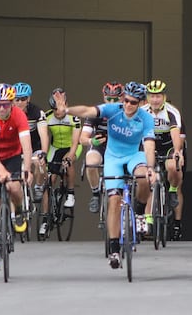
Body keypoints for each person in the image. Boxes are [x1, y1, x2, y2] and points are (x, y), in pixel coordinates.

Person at [52, 81, 156, 269]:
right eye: (126, 101)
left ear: (140, 103)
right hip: (113, 158)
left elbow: (149, 145)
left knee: (143, 177)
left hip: (134, 155)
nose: (128, 105)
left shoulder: (146, 118)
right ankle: (114, 249)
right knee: (114, 201)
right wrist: (66, 110)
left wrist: (150, 168)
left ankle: (139, 213)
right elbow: (86, 111)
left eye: (133, 102)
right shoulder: (112, 109)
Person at [0, 83, 33, 270]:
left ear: (12, 104)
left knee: (14, 187)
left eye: (6, 104)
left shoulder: (20, 116)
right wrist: (0, 169)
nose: (2, 108)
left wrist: (28, 168)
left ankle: (18, 213)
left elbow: (26, 144)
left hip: (12, 157)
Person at [142, 79, 185, 240]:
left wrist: (176, 151)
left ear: (164, 97)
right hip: (149, 144)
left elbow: (176, 133)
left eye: (158, 96)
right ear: (147, 97)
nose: (155, 99)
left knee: (174, 166)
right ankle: (148, 220)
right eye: (152, 96)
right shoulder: (142, 111)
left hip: (167, 144)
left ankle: (172, 190)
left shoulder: (172, 112)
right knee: (148, 178)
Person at [37, 88, 82, 237]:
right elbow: (45, 136)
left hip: (72, 146)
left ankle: (70, 193)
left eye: (59, 110)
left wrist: (70, 156)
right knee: (49, 180)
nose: (57, 113)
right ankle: (45, 218)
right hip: (55, 148)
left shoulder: (74, 118)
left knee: (67, 163)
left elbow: (76, 142)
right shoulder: (47, 117)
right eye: (54, 110)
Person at [79, 81, 124, 213]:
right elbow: (82, 139)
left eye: (115, 99)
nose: (111, 102)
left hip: (120, 147)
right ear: (104, 97)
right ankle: (95, 194)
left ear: (122, 98)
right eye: (108, 99)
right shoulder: (96, 112)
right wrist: (92, 141)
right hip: (100, 145)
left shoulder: (127, 112)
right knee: (91, 164)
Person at [12, 82, 49, 201]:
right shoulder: (9, 113)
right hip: (16, 146)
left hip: (34, 145)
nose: (19, 102)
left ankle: (38, 186)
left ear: (28, 99)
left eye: (23, 99)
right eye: (16, 99)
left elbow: (44, 135)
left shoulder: (37, 112)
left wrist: (44, 152)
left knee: (40, 163)